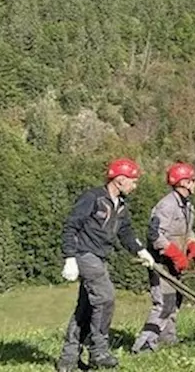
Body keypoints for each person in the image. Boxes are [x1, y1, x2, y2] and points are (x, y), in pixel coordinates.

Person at [57, 157, 156, 372]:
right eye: (133, 181)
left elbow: (126, 232)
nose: (135, 185)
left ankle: (68, 361)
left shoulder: (121, 205)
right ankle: (98, 351)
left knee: (85, 309)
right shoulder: (92, 198)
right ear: (120, 180)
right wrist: (70, 257)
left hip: (100, 257)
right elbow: (71, 226)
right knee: (105, 297)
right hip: (85, 254)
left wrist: (141, 250)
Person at [131, 161, 195, 355]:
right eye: (193, 180)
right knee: (163, 304)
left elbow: (187, 231)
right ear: (184, 182)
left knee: (175, 300)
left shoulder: (187, 206)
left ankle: (167, 339)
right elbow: (154, 235)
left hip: (175, 264)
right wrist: (175, 254)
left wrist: (193, 244)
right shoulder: (166, 206)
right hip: (162, 263)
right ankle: (143, 345)